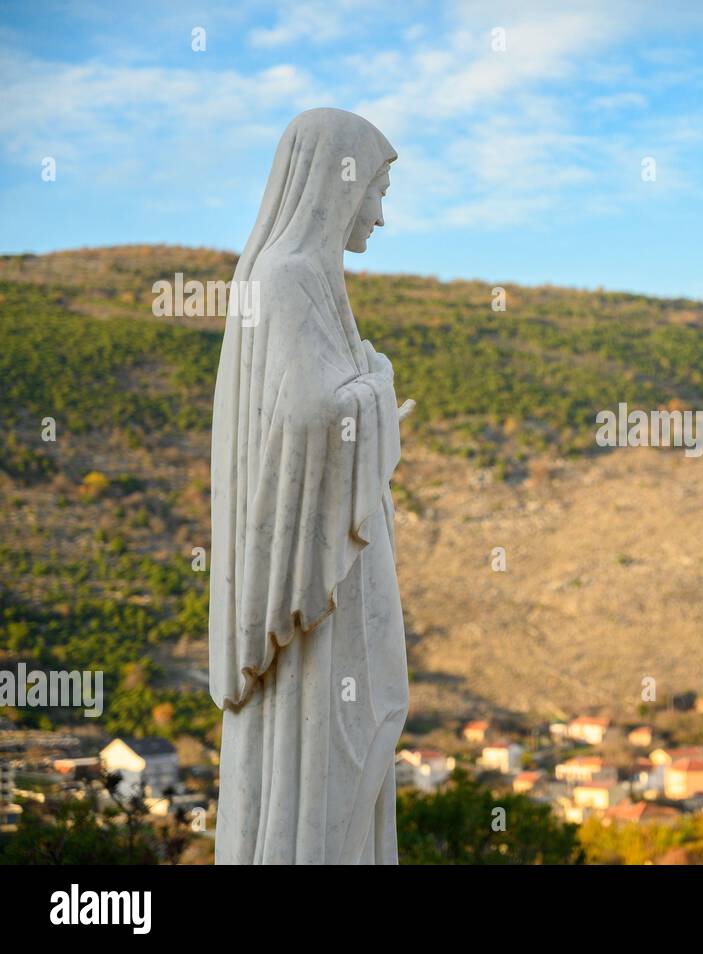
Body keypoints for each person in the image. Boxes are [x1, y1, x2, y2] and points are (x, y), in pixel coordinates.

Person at [209, 108, 413, 864]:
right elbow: (305, 413)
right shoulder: (287, 277)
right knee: (341, 732)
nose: (381, 216)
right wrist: (378, 388)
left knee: (366, 727)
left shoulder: (310, 280)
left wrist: (365, 400)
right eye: (379, 190)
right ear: (342, 181)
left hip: (338, 555)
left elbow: (316, 407)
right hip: (316, 579)